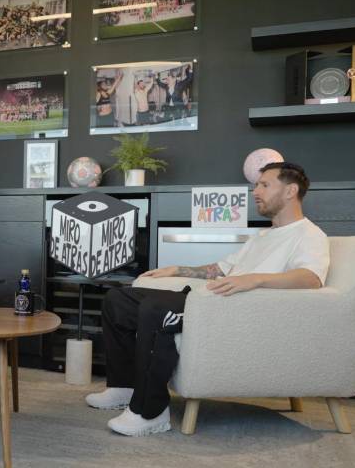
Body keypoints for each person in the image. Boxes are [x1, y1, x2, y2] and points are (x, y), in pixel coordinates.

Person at [86, 162, 329, 436]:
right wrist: (177, 269)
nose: (255, 191)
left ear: (290, 191)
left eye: (264, 185)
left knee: (156, 310)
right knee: (118, 299)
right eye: (256, 185)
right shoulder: (263, 237)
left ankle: (150, 412)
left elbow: (311, 277)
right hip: (211, 302)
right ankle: (124, 386)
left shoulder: (308, 234)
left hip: (235, 313)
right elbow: (220, 269)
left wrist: (255, 278)